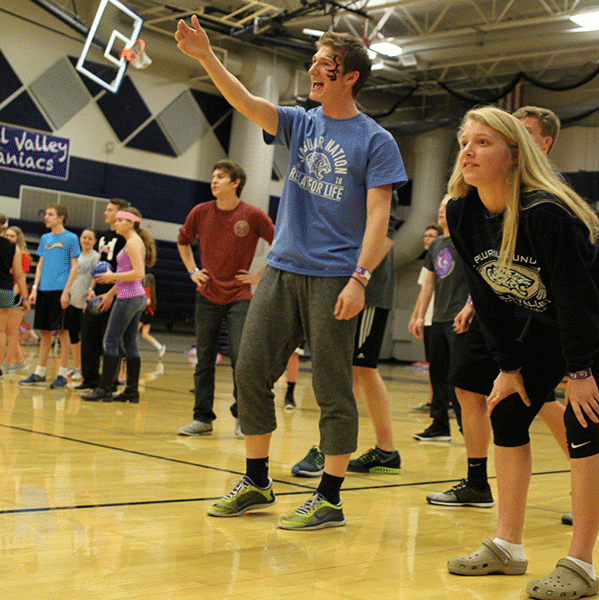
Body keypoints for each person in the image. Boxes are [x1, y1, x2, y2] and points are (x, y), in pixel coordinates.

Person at [176, 18, 406, 530]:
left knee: (331, 388)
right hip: (281, 270)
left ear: (351, 77)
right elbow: (244, 102)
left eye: (324, 64)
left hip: (334, 277)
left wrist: (360, 277)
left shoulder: (376, 140)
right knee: (251, 370)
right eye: (313, 62)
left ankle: (329, 496)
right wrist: (207, 57)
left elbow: (377, 217)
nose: (313, 71)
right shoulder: (302, 122)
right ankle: (257, 481)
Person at [444, 107, 599, 600]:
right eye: (464, 142)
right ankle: (507, 546)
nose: (468, 151)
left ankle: (581, 565)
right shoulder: (460, 212)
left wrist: (579, 370)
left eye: (483, 143)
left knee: (582, 423)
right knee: (508, 413)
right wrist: (509, 366)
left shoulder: (546, 213)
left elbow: (578, 297)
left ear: (515, 155)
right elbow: (488, 294)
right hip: (551, 314)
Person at [513, 105, 599, 525]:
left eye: (522, 132)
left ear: (545, 143)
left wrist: (580, 367)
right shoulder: (501, 188)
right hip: (535, 305)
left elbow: (571, 279)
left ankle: (597, 492)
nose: (512, 139)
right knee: (518, 401)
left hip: (576, 306)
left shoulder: (550, 197)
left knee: (571, 413)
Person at [292, 207, 401, 476]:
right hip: (345, 287)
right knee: (358, 370)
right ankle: (385, 451)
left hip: (367, 292)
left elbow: (385, 238)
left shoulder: (378, 179)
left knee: (355, 369)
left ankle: (328, 447)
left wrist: (357, 279)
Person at [176, 160, 275, 437]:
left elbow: (279, 244)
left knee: (242, 358)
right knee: (204, 357)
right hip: (207, 292)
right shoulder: (201, 212)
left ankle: (243, 417)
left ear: (235, 183)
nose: (214, 181)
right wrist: (193, 270)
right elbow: (183, 240)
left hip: (240, 296)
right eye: (213, 176)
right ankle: (202, 418)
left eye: (221, 177)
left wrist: (258, 276)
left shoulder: (253, 215)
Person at [81, 207, 156, 402]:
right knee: (129, 343)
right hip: (134, 297)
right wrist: (111, 290)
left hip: (129, 298)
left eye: (121, 220)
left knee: (110, 341)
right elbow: (129, 273)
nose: (116, 223)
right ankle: (132, 391)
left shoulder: (132, 243)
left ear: (131, 223)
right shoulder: (133, 242)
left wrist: (110, 276)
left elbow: (139, 274)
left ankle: (104, 389)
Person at [408, 197, 465, 442]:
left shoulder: (467, 240)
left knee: (458, 380)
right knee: (437, 376)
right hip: (438, 319)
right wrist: (420, 316)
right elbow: (428, 283)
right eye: (439, 206)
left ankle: (467, 428)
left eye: (446, 206)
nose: (441, 210)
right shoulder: (436, 245)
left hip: (460, 320)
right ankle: (439, 425)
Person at [20, 204, 80, 389]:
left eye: (50, 214)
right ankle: (40, 372)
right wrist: (35, 288)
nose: (46, 217)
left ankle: (62, 374)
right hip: (44, 289)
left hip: (60, 291)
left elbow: (75, 266)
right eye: (46, 214)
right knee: (44, 333)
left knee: (62, 332)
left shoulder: (71, 238)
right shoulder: (45, 238)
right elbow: (40, 264)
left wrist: (66, 291)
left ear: (61, 217)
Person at [75, 198, 130, 392]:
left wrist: (111, 293)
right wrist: (91, 289)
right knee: (88, 335)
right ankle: (90, 379)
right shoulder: (103, 237)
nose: (105, 213)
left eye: (109, 210)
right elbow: (98, 266)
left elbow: (129, 269)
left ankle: (110, 383)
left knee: (110, 340)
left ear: (120, 214)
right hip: (96, 294)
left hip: (115, 295)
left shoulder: (126, 238)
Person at [410, 223, 441, 413]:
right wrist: (415, 317)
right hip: (428, 319)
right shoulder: (427, 263)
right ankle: (433, 401)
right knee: (433, 365)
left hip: (440, 318)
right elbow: (423, 292)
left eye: (431, 235)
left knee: (442, 367)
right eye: (426, 235)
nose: (427, 238)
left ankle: (448, 403)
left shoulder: (444, 258)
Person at [65, 229, 99, 384]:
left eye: (90, 238)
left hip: (84, 302)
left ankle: (85, 369)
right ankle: (77, 366)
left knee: (85, 337)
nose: (86, 240)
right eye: (84, 237)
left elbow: (95, 278)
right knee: (73, 334)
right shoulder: (75, 256)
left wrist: (88, 299)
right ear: (80, 239)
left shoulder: (95, 256)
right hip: (72, 299)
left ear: (94, 241)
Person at [0, 216, 31, 374]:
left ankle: (8, 362)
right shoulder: (12, 249)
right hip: (6, 290)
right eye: (8, 235)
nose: (10, 238)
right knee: (6, 331)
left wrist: (20, 296)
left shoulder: (22, 254)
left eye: (13, 236)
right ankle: (16, 361)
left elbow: (21, 277)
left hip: (13, 293)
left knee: (10, 331)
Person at [139, 273, 165, 357]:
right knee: (145, 334)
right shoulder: (152, 290)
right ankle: (160, 347)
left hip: (144, 313)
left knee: (133, 332)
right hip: (149, 314)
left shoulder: (146, 289)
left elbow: (148, 301)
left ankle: (130, 350)